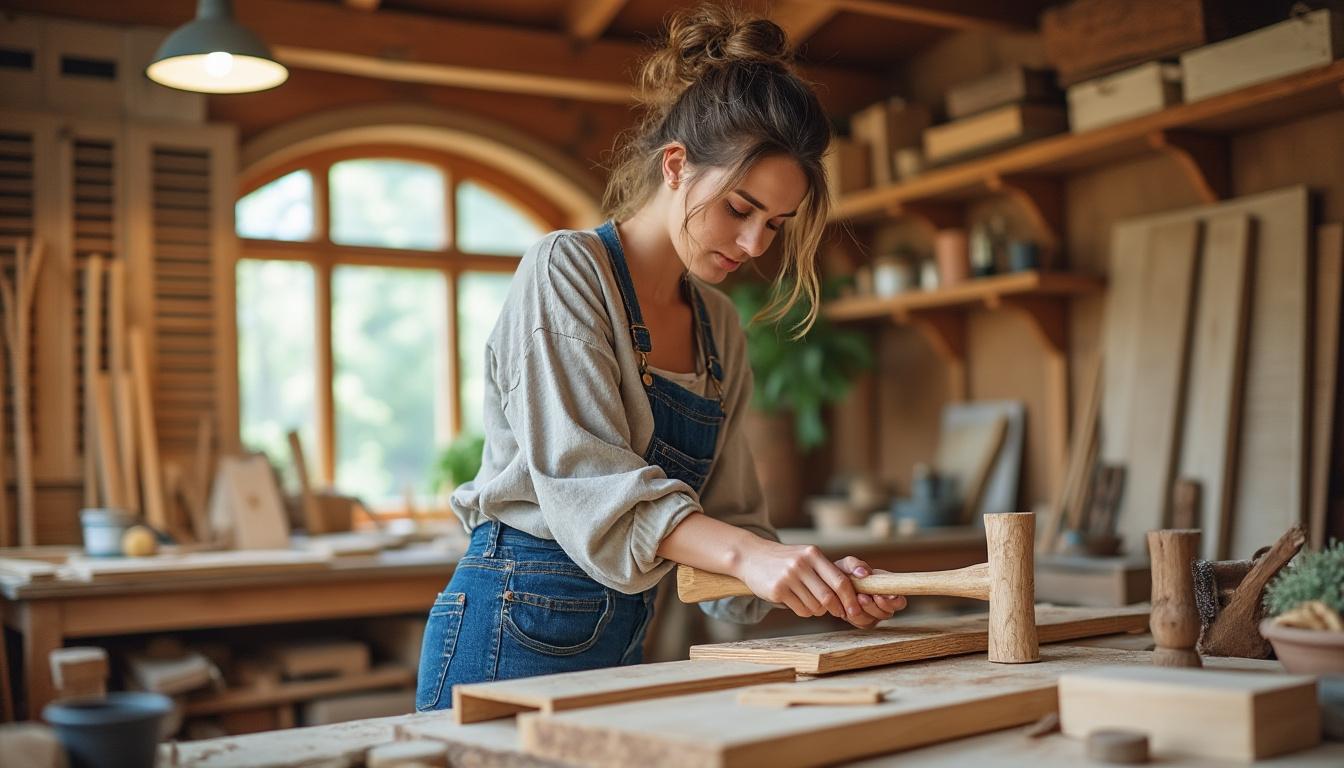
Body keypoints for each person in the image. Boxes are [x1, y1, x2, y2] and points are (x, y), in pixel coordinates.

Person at [415, 3, 906, 712]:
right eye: (739, 209)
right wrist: (750, 558)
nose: (754, 246)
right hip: (506, 631)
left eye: (775, 225)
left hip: (620, 644)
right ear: (675, 165)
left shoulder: (717, 325)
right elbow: (590, 485)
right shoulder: (566, 271)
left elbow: (735, 526)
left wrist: (812, 580)